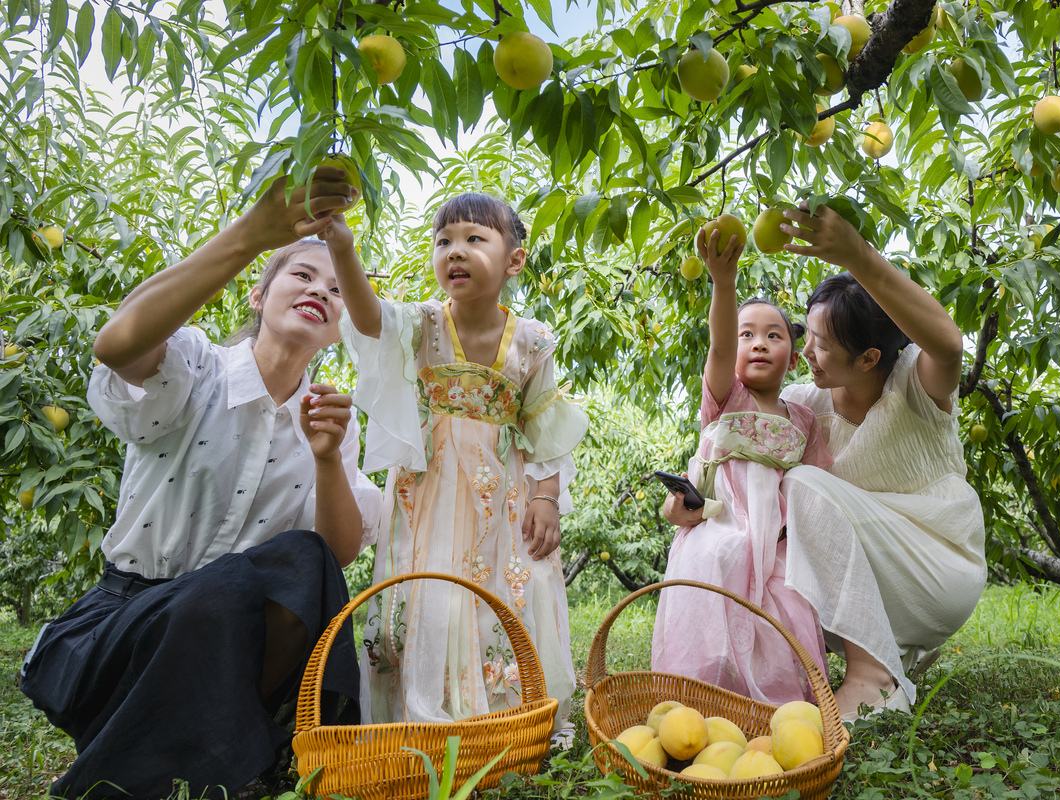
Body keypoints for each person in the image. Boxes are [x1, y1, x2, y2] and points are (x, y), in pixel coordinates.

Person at [19, 168, 384, 799]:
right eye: (301, 273)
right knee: (213, 598)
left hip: (228, 655)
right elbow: (117, 343)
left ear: (342, 324)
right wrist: (249, 236)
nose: (321, 289)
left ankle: (204, 763)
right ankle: (227, 762)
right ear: (256, 295)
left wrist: (327, 459)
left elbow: (336, 556)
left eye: (337, 287)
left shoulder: (333, 421)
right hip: (125, 630)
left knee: (302, 559)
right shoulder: (194, 369)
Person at [665, 200, 986, 722]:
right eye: (805, 336)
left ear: (869, 358)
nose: (804, 351)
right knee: (763, 544)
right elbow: (739, 448)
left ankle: (873, 673)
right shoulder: (803, 405)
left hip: (935, 566)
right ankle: (844, 663)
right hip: (867, 576)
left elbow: (948, 345)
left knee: (807, 486)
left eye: (819, 343)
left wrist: (856, 253)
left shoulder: (915, 385)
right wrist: (698, 499)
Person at [323, 192, 588, 736]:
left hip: (501, 487)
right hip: (428, 485)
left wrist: (546, 497)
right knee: (427, 589)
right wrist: (343, 248)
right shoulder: (423, 325)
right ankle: (421, 713)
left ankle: (501, 716)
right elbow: (369, 317)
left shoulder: (533, 341)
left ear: (514, 260)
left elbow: (545, 427)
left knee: (504, 586)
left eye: (474, 239)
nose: (455, 252)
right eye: (443, 241)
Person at [651, 228, 834, 705]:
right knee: (713, 585)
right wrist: (723, 282)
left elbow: (817, 485)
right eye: (746, 334)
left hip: (776, 541)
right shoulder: (727, 400)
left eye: (773, 336)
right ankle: (701, 699)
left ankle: (775, 708)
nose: (758, 343)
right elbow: (717, 344)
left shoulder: (804, 420)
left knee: (787, 614)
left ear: (793, 358)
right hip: (723, 528)